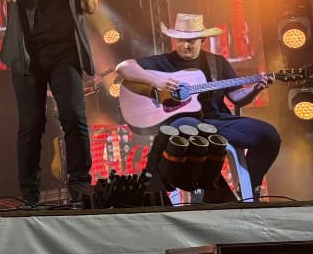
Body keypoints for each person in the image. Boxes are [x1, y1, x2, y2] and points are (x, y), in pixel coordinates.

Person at [0, 0, 100, 208]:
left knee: (74, 116)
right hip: (28, 54)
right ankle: (30, 194)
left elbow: (91, 6)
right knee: (32, 124)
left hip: (65, 51)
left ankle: (80, 186)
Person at [115, 13, 280, 199]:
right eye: (181, 40)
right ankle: (207, 193)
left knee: (269, 135)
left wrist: (256, 89)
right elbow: (123, 67)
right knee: (191, 129)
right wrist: (156, 81)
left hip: (218, 121)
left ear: (203, 40)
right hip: (182, 124)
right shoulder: (162, 62)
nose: (186, 45)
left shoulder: (217, 63)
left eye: (192, 41)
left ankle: (250, 187)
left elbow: (237, 97)